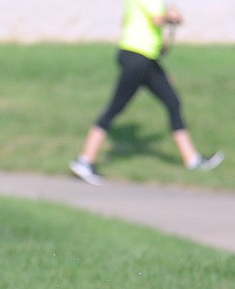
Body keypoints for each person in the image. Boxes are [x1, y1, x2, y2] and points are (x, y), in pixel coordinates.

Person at [70, 1, 223, 186]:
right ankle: (84, 161)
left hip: (145, 58)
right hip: (137, 57)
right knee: (115, 108)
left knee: (173, 102)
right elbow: (157, 19)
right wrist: (170, 16)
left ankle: (192, 160)